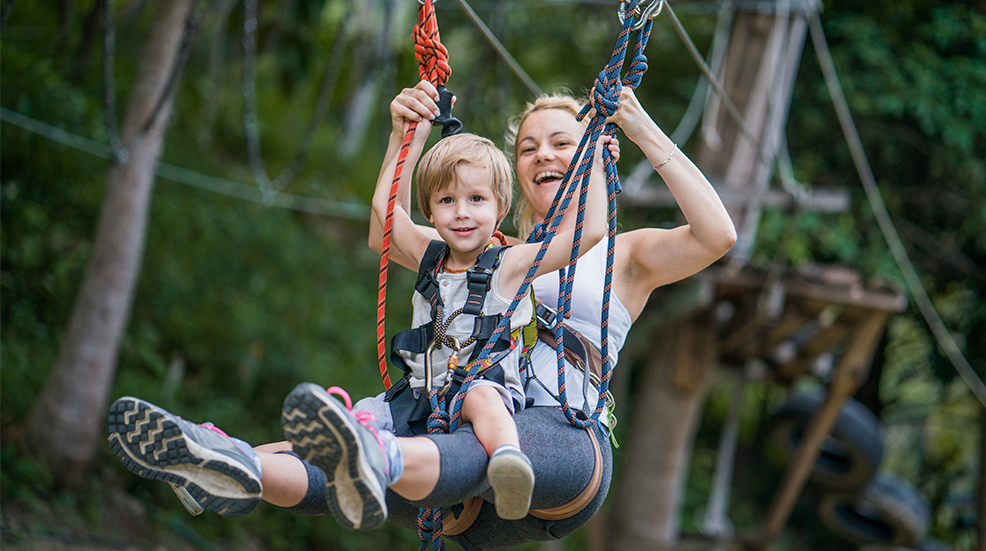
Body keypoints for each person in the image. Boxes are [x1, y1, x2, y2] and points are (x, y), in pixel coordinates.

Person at [105, 78, 734, 550]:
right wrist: (399, 136)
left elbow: (717, 236)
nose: (544, 154)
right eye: (529, 147)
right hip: (451, 467)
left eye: (563, 143)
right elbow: (389, 229)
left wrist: (636, 127)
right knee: (348, 459)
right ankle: (234, 464)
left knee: (448, 438)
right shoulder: (481, 252)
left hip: (558, 448)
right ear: (511, 175)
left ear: (595, 154)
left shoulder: (623, 252)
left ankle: (378, 455)